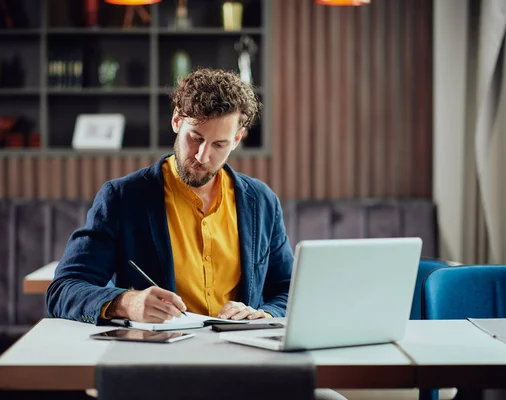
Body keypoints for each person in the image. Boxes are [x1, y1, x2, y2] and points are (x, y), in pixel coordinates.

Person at [46, 67, 348, 400]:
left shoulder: (261, 201)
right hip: (163, 371)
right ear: (177, 121)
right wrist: (125, 303)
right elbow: (63, 290)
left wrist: (263, 314)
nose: (203, 156)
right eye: (195, 138)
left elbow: (287, 289)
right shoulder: (123, 198)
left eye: (219, 144)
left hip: (249, 367)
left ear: (237, 139)